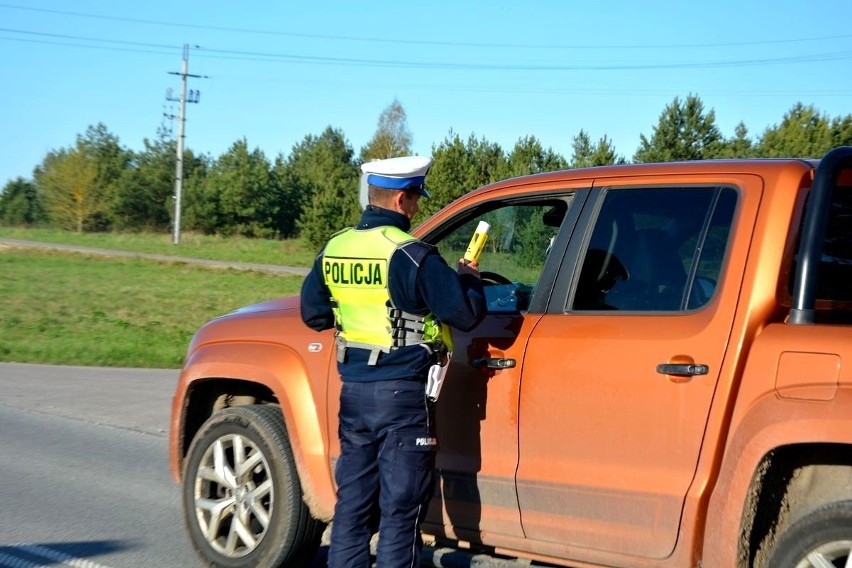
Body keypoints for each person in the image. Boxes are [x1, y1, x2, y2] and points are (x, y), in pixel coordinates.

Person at [300, 155, 486, 568]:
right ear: (402, 198)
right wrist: (470, 278)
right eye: (417, 198)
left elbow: (313, 315)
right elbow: (465, 314)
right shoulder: (412, 254)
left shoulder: (335, 246)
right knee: (401, 509)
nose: (418, 207)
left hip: (355, 393)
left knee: (353, 504)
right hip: (402, 396)